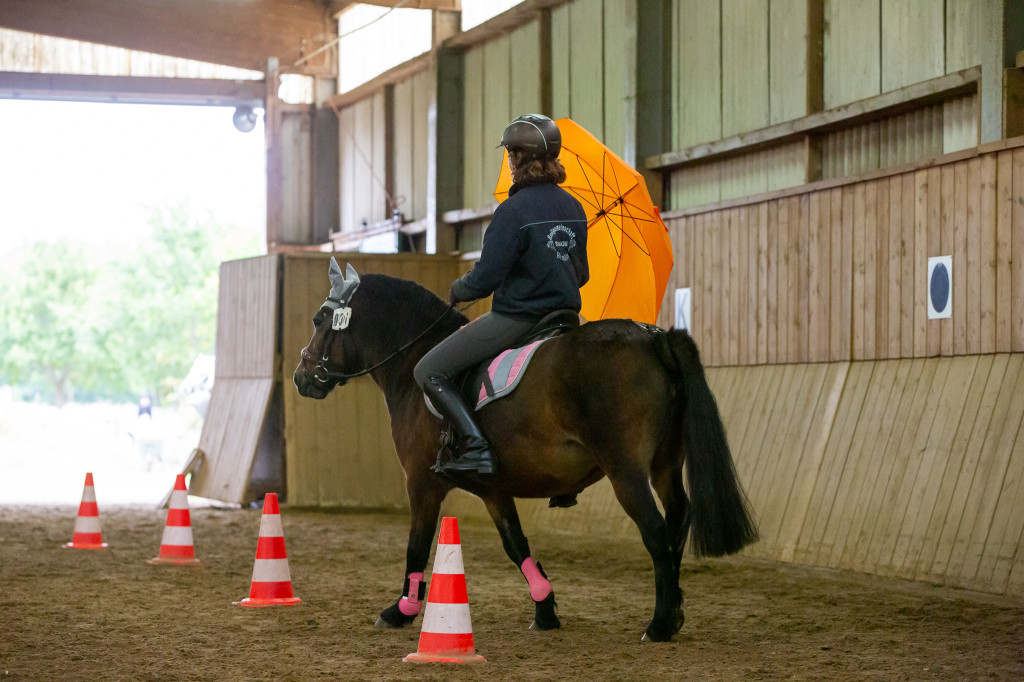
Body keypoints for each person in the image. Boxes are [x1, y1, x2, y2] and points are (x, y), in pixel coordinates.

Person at [414, 114, 590, 477]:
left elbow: (485, 279)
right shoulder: (574, 208)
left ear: (519, 157)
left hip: (518, 320)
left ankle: (477, 448)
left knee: (428, 370)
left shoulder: (512, 212)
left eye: (510, 154)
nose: (508, 161)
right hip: (566, 318)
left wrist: (458, 289)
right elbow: (582, 276)